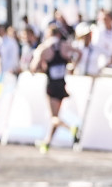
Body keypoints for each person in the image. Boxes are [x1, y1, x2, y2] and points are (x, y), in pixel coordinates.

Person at [30, 23, 82, 153]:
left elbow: (33, 68)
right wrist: (72, 65)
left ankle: (70, 128)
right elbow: (79, 53)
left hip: (52, 86)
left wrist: (41, 66)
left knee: (54, 117)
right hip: (62, 84)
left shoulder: (44, 48)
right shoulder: (64, 46)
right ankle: (47, 142)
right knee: (56, 115)